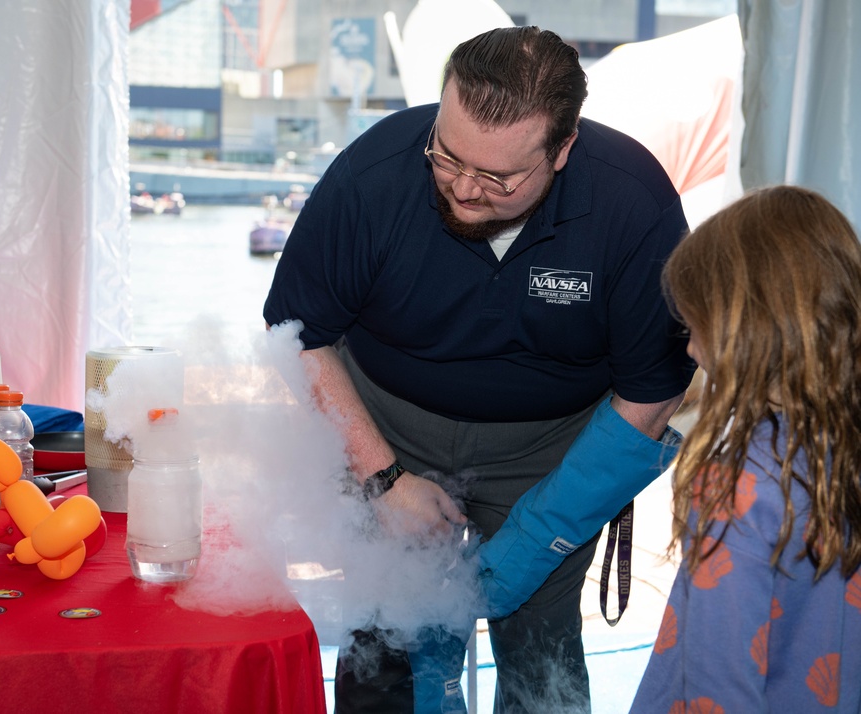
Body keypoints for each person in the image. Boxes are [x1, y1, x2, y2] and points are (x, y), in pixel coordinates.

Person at [264, 26, 694, 713]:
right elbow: (297, 338)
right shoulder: (373, 173)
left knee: (541, 642)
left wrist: (540, 530)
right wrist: (384, 479)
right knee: (386, 637)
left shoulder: (632, 204)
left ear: (563, 149)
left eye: (498, 176)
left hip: (550, 448)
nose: (463, 189)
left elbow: (654, 388)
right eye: (447, 155)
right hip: (387, 423)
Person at [630, 186, 861, 712]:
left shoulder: (737, 488)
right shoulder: (843, 446)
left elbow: (719, 679)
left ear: (749, 328)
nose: (689, 348)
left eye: (696, 327)